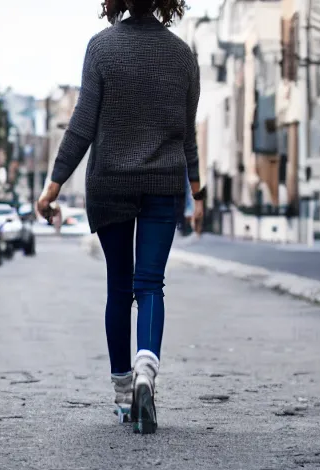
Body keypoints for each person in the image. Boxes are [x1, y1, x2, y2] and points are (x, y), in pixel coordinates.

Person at [37, 0, 204, 434]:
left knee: (118, 284)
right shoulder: (183, 55)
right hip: (164, 185)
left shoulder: (101, 49)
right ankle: (146, 368)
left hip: (110, 182)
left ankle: (124, 392)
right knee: (150, 284)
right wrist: (198, 192)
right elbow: (188, 134)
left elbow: (81, 126)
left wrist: (53, 184)